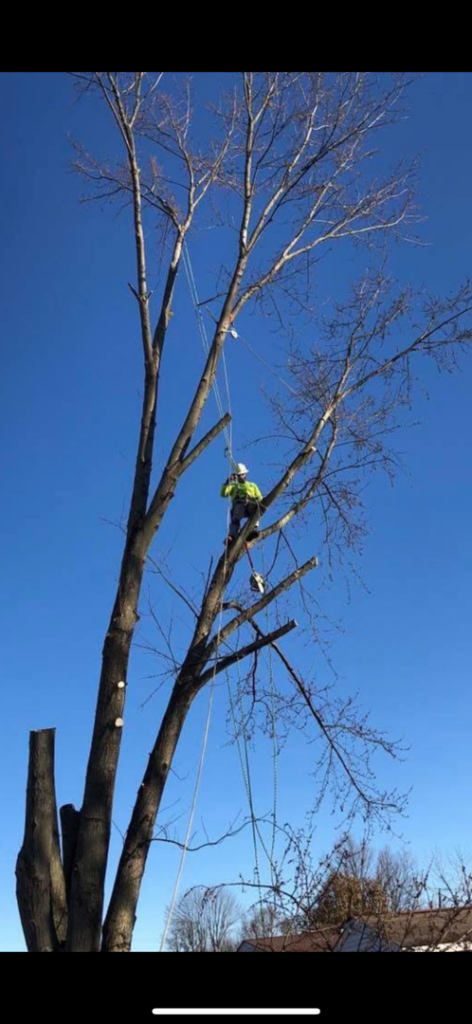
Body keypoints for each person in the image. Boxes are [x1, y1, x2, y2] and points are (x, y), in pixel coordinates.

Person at [221, 463, 263, 543]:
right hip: (239, 505)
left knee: (256, 509)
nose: (241, 476)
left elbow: (260, 498)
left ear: (245, 474)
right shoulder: (234, 486)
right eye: (239, 475)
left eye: (242, 474)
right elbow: (223, 494)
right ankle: (232, 535)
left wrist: (258, 503)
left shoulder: (252, 485)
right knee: (236, 517)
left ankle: (252, 530)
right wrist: (227, 482)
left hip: (251, 504)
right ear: (236, 476)